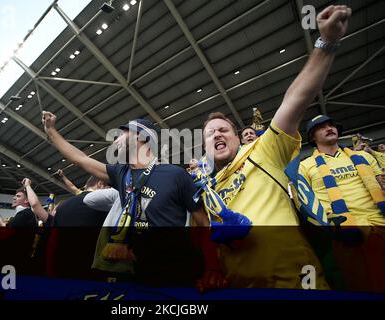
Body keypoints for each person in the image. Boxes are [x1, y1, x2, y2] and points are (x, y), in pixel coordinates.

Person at [195, 5, 352, 289]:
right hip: (236, 286)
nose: (217, 135)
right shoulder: (205, 188)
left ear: (235, 136)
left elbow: (295, 99)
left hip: (294, 280)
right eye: (209, 133)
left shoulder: (263, 150)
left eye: (223, 130)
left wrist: (326, 43)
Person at [42, 115, 223, 289]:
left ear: (142, 137)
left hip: (177, 274)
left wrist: (212, 268)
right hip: (137, 273)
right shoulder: (122, 174)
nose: (115, 141)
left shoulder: (176, 175)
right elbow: (79, 159)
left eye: (121, 135)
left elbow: (204, 224)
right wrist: (51, 131)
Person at [299, 115, 385, 292]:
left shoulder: (364, 157)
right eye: (321, 127)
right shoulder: (305, 166)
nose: (329, 128)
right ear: (312, 137)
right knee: (363, 287)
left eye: (331, 125)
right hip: (346, 234)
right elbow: (306, 204)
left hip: (380, 223)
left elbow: (381, 183)